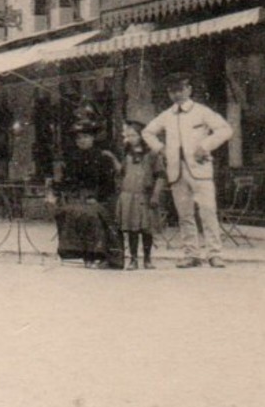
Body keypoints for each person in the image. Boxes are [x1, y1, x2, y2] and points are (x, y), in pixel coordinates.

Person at [142, 72, 233, 269]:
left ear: (189, 89)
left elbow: (225, 129)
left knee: (208, 211)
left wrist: (206, 145)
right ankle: (191, 254)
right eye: (172, 91)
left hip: (200, 170)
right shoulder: (167, 115)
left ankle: (214, 254)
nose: (176, 94)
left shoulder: (201, 111)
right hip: (176, 171)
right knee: (185, 215)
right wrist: (161, 149)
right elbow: (147, 132)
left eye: (180, 89)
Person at [54, 120, 122, 268]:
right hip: (78, 197)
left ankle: (97, 255)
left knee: (89, 214)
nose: (82, 141)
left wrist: (96, 197)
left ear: (92, 138)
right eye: (78, 138)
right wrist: (62, 192)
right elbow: (68, 180)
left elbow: (108, 182)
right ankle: (78, 254)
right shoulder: (72, 158)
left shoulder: (102, 157)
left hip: (100, 198)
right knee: (67, 211)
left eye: (85, 137)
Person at [115, 120, 166, 269]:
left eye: (134, 135)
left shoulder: (152, 154)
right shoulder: (125, 153)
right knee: (132, 229)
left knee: (146, 229)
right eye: (128, 135)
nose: (131, 138)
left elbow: (161, 175)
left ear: (141, 136)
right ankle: (133, 259)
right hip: (129, 196)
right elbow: (121, 173)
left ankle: (148, 259)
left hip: (146, 196)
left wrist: (156, 194)